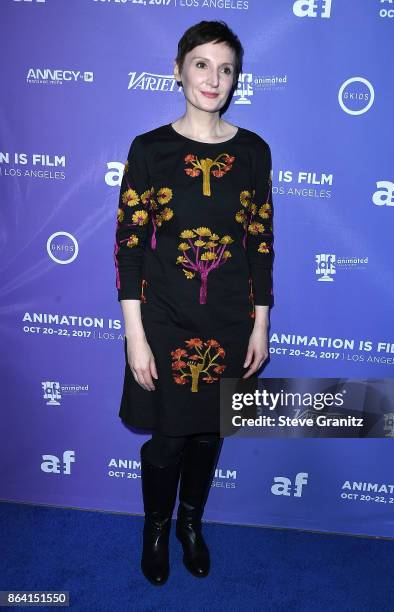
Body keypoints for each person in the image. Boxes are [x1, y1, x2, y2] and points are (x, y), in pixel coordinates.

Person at [113, 20, 274, 586]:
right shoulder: (150, 149)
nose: (213, 78)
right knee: (169, 434)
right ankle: (155, 529)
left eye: (225, 68)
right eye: (202, 64)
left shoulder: (254, 152)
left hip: (231, 318)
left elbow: (260, 243)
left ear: (236, 80)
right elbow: (129, 248)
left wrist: (261, 323)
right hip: (164, 318)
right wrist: (135, 334)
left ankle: (190, 525)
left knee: (209, 432)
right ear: (178, 68)